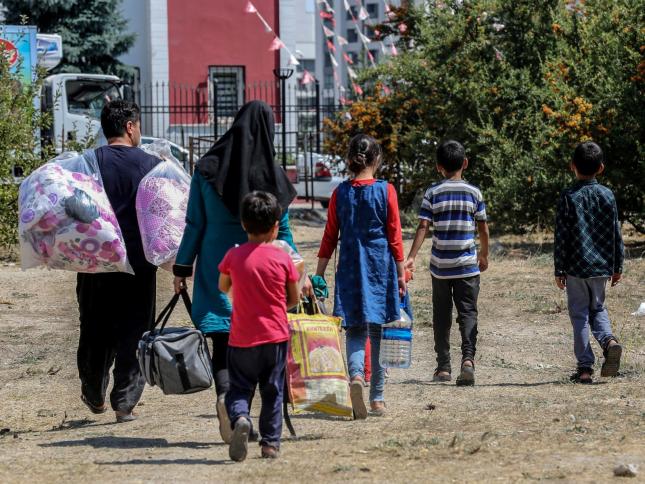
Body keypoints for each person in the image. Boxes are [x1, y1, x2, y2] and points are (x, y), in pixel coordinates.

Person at [172, 100, 309, 443]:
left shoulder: (207, 169)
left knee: (224, 339)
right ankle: (252, 416)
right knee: (262, 340)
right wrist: (297, 270)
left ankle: (227, 398)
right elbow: (284, 231)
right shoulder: (273, 175)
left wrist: (182, 267)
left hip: (219, 263)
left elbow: (194, 223)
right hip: (265, 269)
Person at [76, 100, 160, 423]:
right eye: (138, 125)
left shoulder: (87, 163)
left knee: (94, 326)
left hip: (95, 262)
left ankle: (94, 393)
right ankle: (124, 404)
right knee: (135, 329)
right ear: (129, 126)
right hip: (139, 265)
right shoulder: (152, 164)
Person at [316, 134, 406, 418]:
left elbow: (330, 236)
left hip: (350, 269)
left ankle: (356, 376)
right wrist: (401, 274)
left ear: (350, 160)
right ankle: (377, 398)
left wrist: (319, 275)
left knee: (354, 330)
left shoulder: (340, 193)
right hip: (380, 268)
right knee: (378, 332)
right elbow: (394, 235)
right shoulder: (386, 191)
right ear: (376, 159)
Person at [218, 191, 300, 461]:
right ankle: (270, 444)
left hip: (241, 339)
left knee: (239, 388)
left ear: (243, 224)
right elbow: (293, 299)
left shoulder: (233, 256)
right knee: (273, 391)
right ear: (276, 227)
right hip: (275, 338)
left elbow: (223, 286)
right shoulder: (283, 259)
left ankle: (241, 417)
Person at [405, 140, 489, 386]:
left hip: (441, 267)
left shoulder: (433, 193)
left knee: (441, 316)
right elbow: (483, 228)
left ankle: (443, 367)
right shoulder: (474, 192)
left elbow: (423, 226)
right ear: (465, 163)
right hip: (467, 266)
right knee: (468, 312)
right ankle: (468, 360)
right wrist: (484, 254)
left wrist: (411, 256)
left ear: (438, 167)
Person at [554, 141, 624, 384]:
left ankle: (584, 368)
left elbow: (562, 235)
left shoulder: (568, 196)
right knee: (598, 308)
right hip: (602, 267)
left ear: (572, 165)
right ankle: (609, 341)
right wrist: (618, 266)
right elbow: (616, 233)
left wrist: (559, 268)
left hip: (575, 267)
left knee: (580, 315)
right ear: (601, 168)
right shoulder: (608, 195)